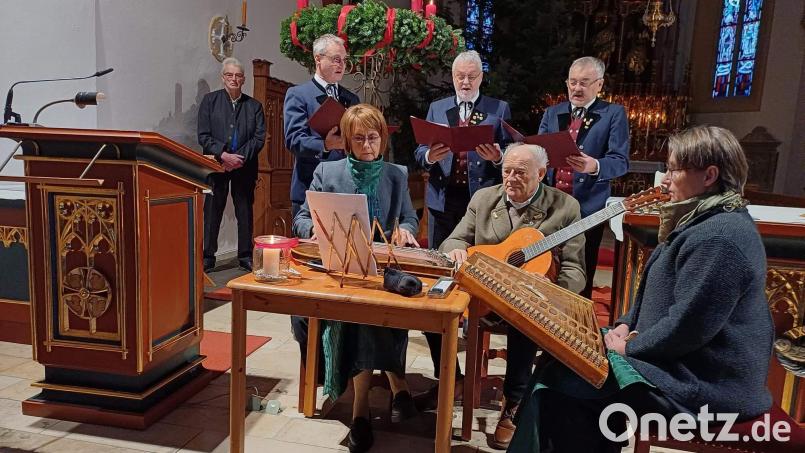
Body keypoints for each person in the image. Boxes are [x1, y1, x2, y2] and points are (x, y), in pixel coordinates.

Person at [508, 125, 775, 452]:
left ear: (709, 176)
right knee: (558, 358)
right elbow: (655, 297)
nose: (664, 178)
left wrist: (628, 349)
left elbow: (688, 328)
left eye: (674, 169)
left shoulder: (720, 237)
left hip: (705, 384)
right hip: (681, 365)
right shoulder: (702, 220)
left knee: (564, 386)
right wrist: (624, 324)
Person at [440, 143, 586, 450]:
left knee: (525, 315)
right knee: (436, 305)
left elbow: (575, 268)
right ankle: (453, 381)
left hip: (534, 298)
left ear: (541, 174)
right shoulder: (484, 198)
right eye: (507, 170)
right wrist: (454, 248)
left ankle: (514, 405)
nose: (511, 178)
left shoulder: (565, 206)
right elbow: (455, 238)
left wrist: (549, 292)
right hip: (483, 294)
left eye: (521, 172)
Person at [292, 104, 419, 453]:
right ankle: (391, 392)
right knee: (363, 312)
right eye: (359, 138)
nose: (367, 145)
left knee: (373, 308)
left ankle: (363, 413)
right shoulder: (327, 171)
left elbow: (410, 219)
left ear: (383, 140)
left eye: (373, 137)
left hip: (384, 271)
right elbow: (301, 219)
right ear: (347, 141)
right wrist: (313, 231)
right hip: (341, 269)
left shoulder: (396, 174)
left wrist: (405, 232)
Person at [413, 49, 512, 402]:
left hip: (480, 203)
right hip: (442, 198)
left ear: (481, 77)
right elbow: (417, 150)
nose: (466, 82)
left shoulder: (498, 109)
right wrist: (428, 156)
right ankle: (446, 319)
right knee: (441, 263)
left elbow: (512, 151)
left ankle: (474, 318)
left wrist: (498, 156)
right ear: (453, 77)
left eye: (472, 76)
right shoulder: (438, 107)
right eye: (460, 76)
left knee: (476, 265)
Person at [538, 56, 629, 299]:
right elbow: (539, 152)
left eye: (584, 83)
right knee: (544, 266)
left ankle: (577, 324)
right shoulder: (552, 113)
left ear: (599, 85)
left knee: (581, 268)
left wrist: (594, 165)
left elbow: (621, 162)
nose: (577, 88)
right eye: (573, 82)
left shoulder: (613, 114)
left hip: (588, 207)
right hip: (550, 204)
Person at [198, 57, 266, 272]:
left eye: (238, 75)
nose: (233, 79)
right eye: (229, 75)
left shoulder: (254, 106)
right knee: (211, 211)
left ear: (243, 79)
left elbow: (259, 137)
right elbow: (203, 135)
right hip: (216, 166)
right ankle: (208, 256)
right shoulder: (209, 101)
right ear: (223, 77)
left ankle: (245, 255)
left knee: (244, 211)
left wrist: (238, 159)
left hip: (244, 167)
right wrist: (223, 155)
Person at [284, 34, 361, 218]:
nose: (341, 65)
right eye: (336, 59)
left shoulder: (351, 99)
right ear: (318, 59)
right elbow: (294, 140)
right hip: (310, 187)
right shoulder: (299, 94)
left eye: (343, 60)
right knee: (311, 246)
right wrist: (326, 145)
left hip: (346, 188)